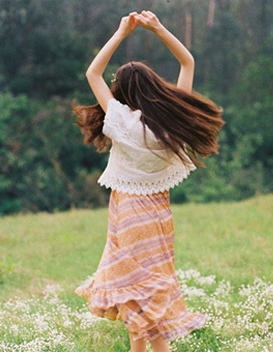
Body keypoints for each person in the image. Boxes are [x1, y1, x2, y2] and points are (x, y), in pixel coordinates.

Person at [73, 10, 225, 352]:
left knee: (133, 290)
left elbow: (92, 72)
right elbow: (187, 63)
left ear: (122, 91)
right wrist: (158, 29)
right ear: (154, 86)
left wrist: (121, 32)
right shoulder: (171, 121)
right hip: (158, 214)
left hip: (127, 212)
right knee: (149, 289)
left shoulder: (120, 122)